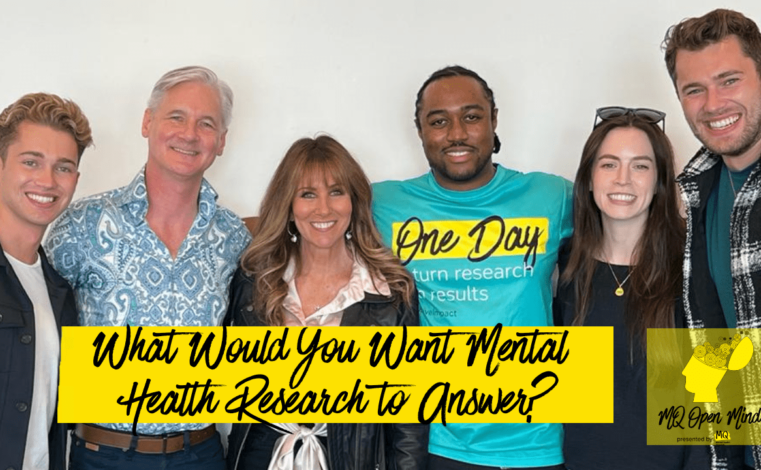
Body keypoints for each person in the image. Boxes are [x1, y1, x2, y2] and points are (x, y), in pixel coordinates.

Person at [44, 66, 251, 470]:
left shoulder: (235, 238)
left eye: (206, 123)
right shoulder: (80, 225)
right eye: (176, 116)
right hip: (104, 454)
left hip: (202, 454)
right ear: (147, 122)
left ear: (221, 141)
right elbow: (37, 333)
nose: (189, 134)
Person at [372, 65, 572, 469]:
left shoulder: (552, 196)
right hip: (436, 444)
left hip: (537, 440)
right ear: (421, 131)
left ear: (494, 120)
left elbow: (636, 226)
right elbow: (304, 218)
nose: (457, 134)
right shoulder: (382, 204)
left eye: (472, 116)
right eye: (439, 121)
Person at [224, 135, 428, 470]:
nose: (323, 208)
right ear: (288, 206)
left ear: (354, 201)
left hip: (350, 458)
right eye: (307, 194)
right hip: (261, 455)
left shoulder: (391, 291)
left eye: (336, 191)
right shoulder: (254, 281)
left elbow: (408, 420)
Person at [554, 107, 710, 469]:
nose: (623, 179)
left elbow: (715, 404)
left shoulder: (695, 265)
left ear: (659, 181)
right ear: (589, 179)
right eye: (609, 164)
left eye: (640, 165)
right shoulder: (564, 268)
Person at [663, 9, 761, 469]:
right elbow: (724, 335)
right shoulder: (697, 195)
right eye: (694, 89)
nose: (713, 103)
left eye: (729, 80)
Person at [0, 92, 92, 470]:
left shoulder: (60, 290)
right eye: (31, 162)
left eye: (63, 168)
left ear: (75, 179)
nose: (47, 181)